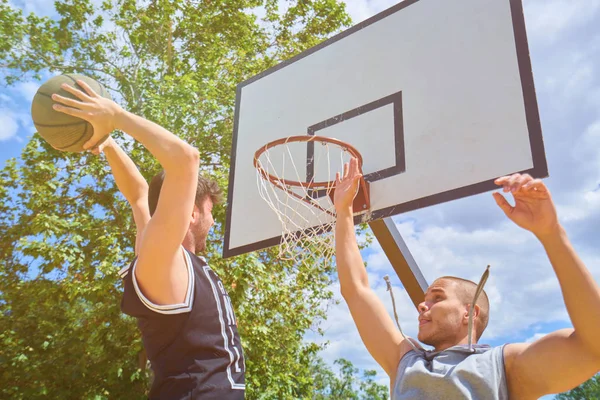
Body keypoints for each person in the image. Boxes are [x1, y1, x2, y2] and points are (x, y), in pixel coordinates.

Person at [333, 157, 600, 399]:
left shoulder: (503, 367)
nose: (422, 305)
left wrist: (551, 233)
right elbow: (356, 290)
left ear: (470, 313)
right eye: (426, 299)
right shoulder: (405, 362)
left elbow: (593, 346)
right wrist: (343, 210)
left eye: (437, 298)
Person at [52, 80, 245, 399]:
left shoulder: (166, 256)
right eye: (210, 211)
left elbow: (138, 194)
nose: (213, 220)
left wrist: (107, 141)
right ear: (192, 214)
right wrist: (114, 114)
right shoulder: (161, 259)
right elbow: (186, 158)